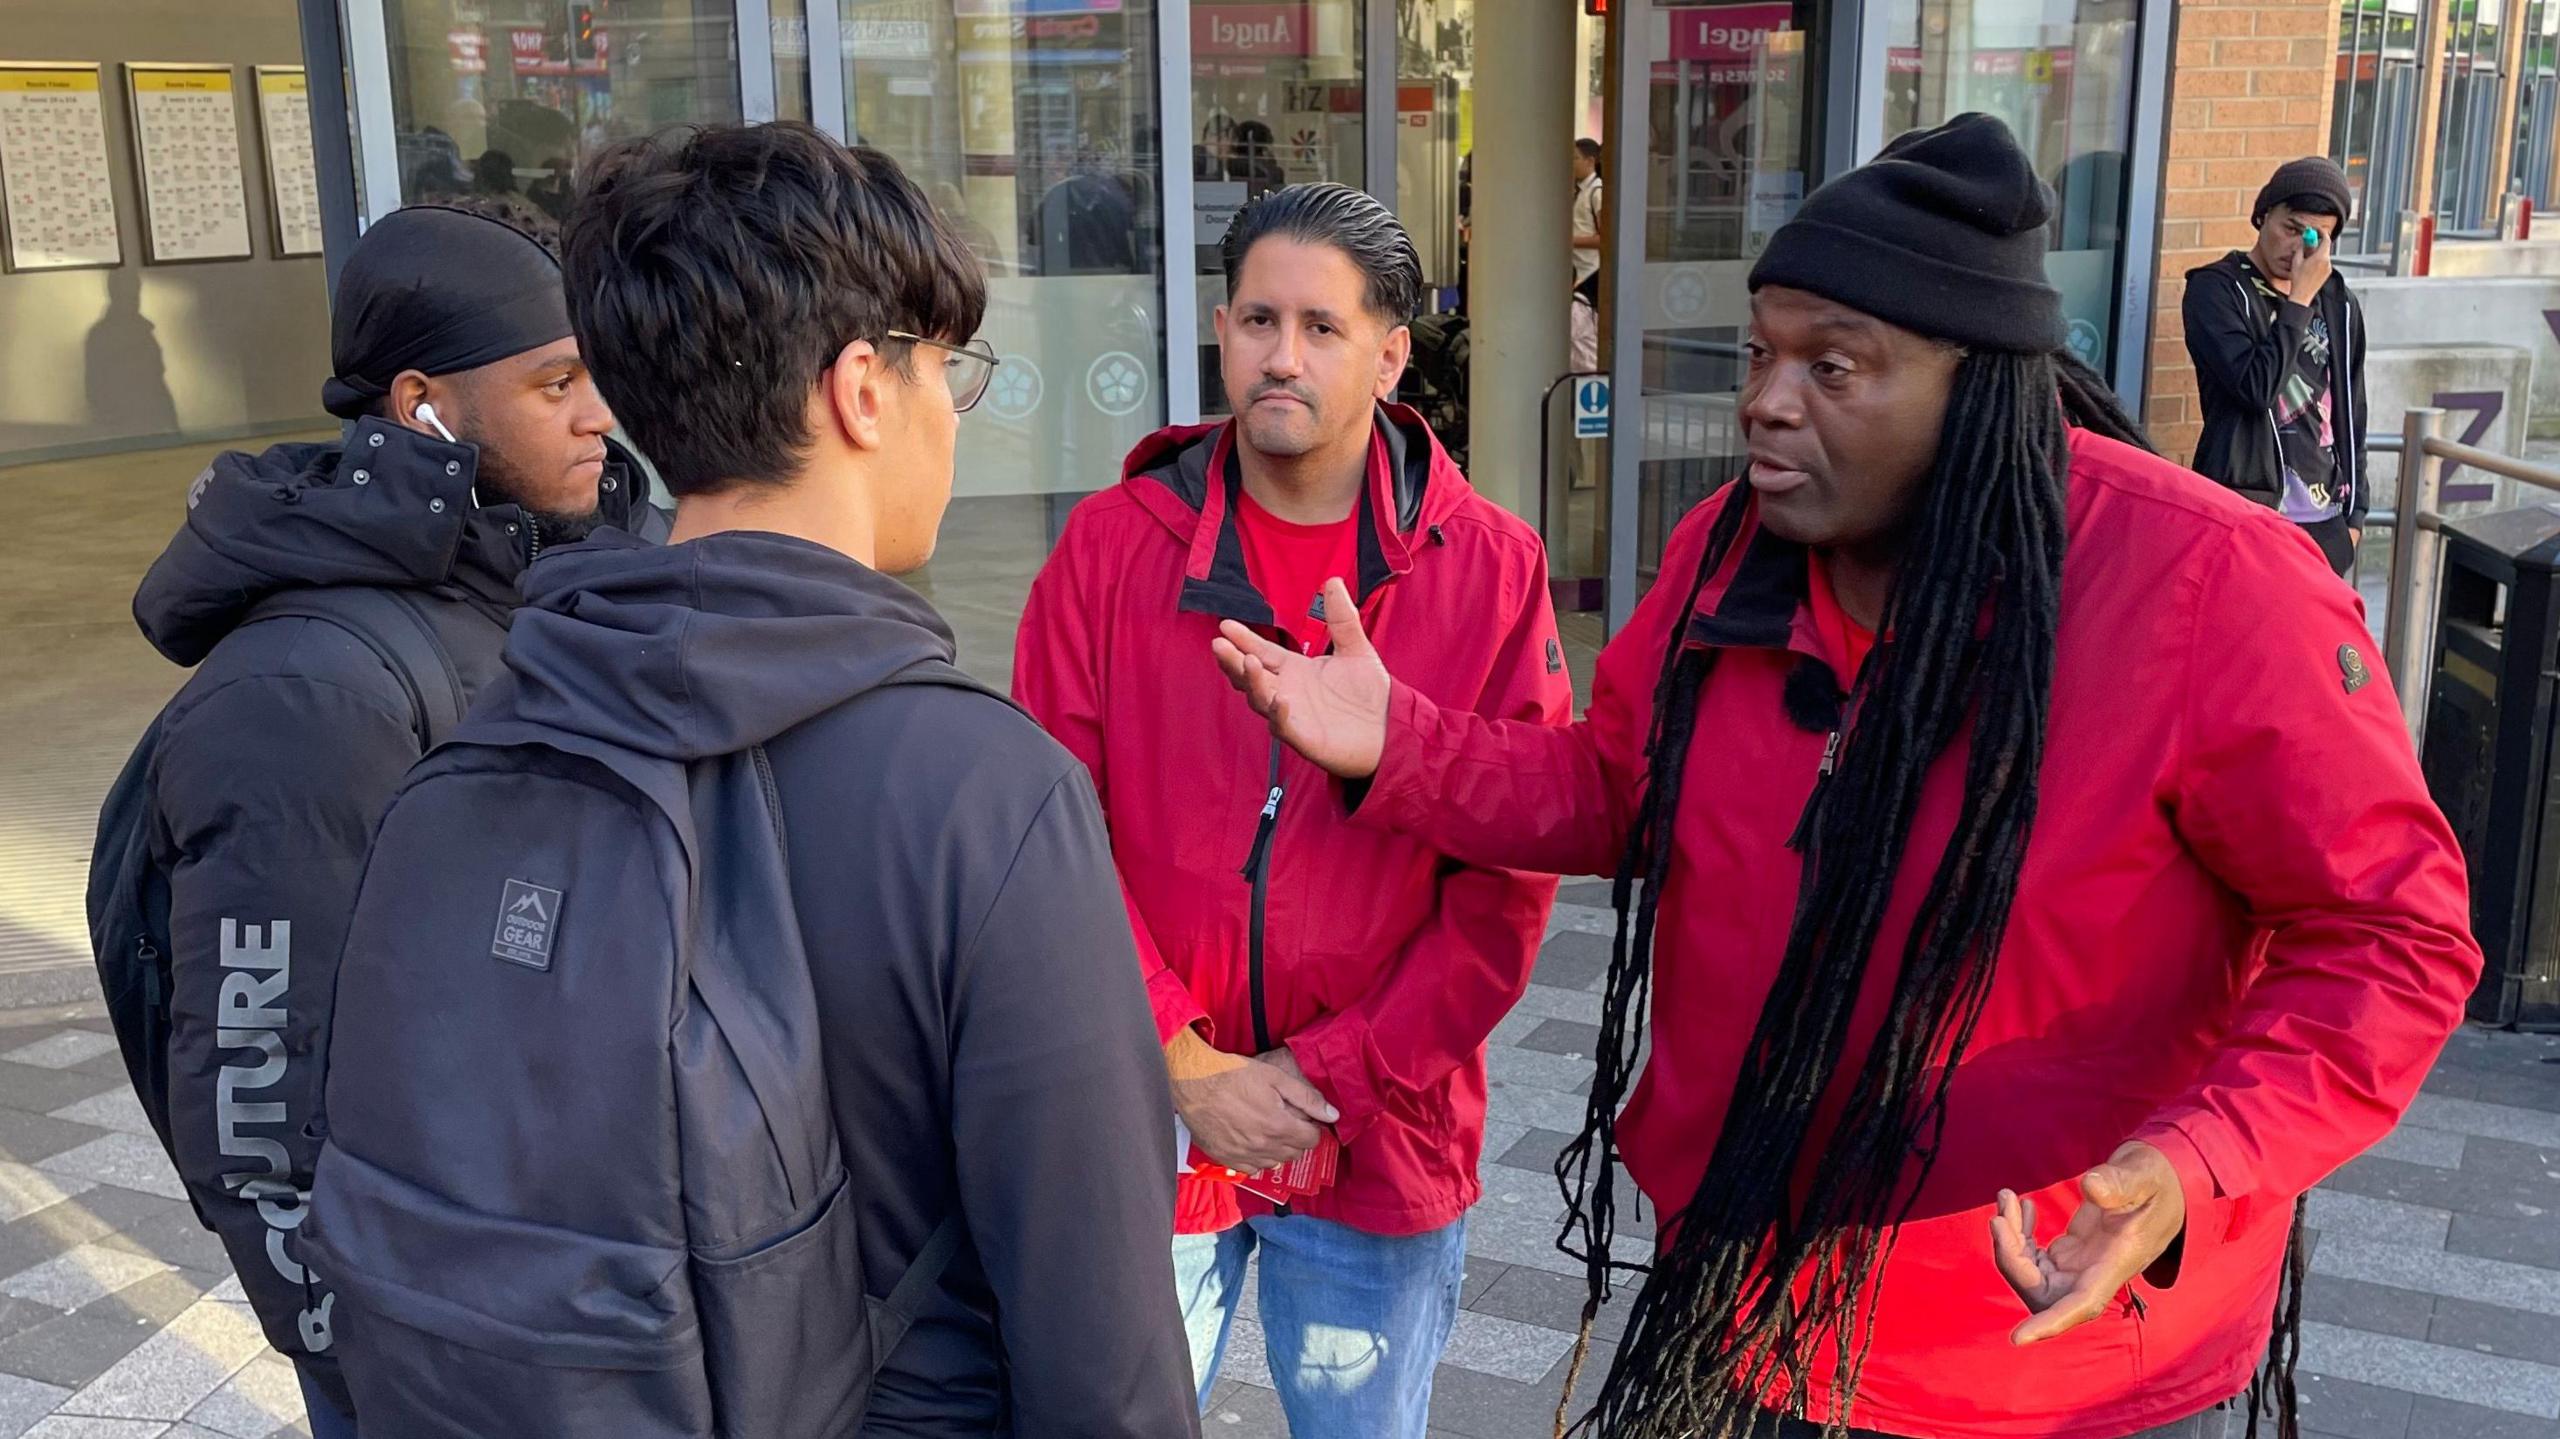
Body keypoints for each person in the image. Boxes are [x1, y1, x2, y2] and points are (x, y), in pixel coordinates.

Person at [1212, 114, 2479, 1439]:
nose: (1767, 396)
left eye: (1835, 364)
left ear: (1976, 381)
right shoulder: (1728, 550)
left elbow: (2392, 932)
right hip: (1753, 1309)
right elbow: (1620, 789)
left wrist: (2195, 1157)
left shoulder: (2209, 586)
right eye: (1764, 353)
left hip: (2061, 1357)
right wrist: (1398, 739)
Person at [311, 123, 1199, 1434]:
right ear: (859, 389)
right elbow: (1105, 1358)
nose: (951, 420)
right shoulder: (983, 795)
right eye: (946, 372)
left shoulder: (502, 718)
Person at [1015, 182, 1570, 1437]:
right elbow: (1053, 834)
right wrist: (1184, 1061)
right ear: (1219, 329)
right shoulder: (1112, 548)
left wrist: (1319, 1080)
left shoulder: (1488, 569)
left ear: (1390, 354)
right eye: (1257, 319)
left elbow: (1504, 886)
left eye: (1322, 326)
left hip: (1379, 1131)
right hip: (1148, 1118)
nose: (1281, 354)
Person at [117, 203, 655, 1439]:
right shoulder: (310, 689)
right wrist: (370, 1362)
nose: (599, 417)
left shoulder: (530, 584)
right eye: (557, 383)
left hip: (551, 1275)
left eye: (597, 377)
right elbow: (259, 1096)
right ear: (423, 405)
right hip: (434, 1347)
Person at [2184, 156, 2369, 576]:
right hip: (2245, 512)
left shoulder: (2339, 303)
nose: (2299, 248)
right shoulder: (2217, 289)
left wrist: (2355, 517)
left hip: (2325, 525)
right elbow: (2254, 387)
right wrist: (2299, 300)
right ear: (2263, 215)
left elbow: (2352, 410)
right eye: (2291, 228)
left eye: (2316, 237)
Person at [1571, 137, 1605, 371]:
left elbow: (1605, 238)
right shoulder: (1578, 191)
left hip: (1591, 272)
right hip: (1578, 272)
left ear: (1590, 161)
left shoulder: (1597, 192)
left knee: (1585, 337)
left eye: (1574, 158)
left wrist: (1569, 241)